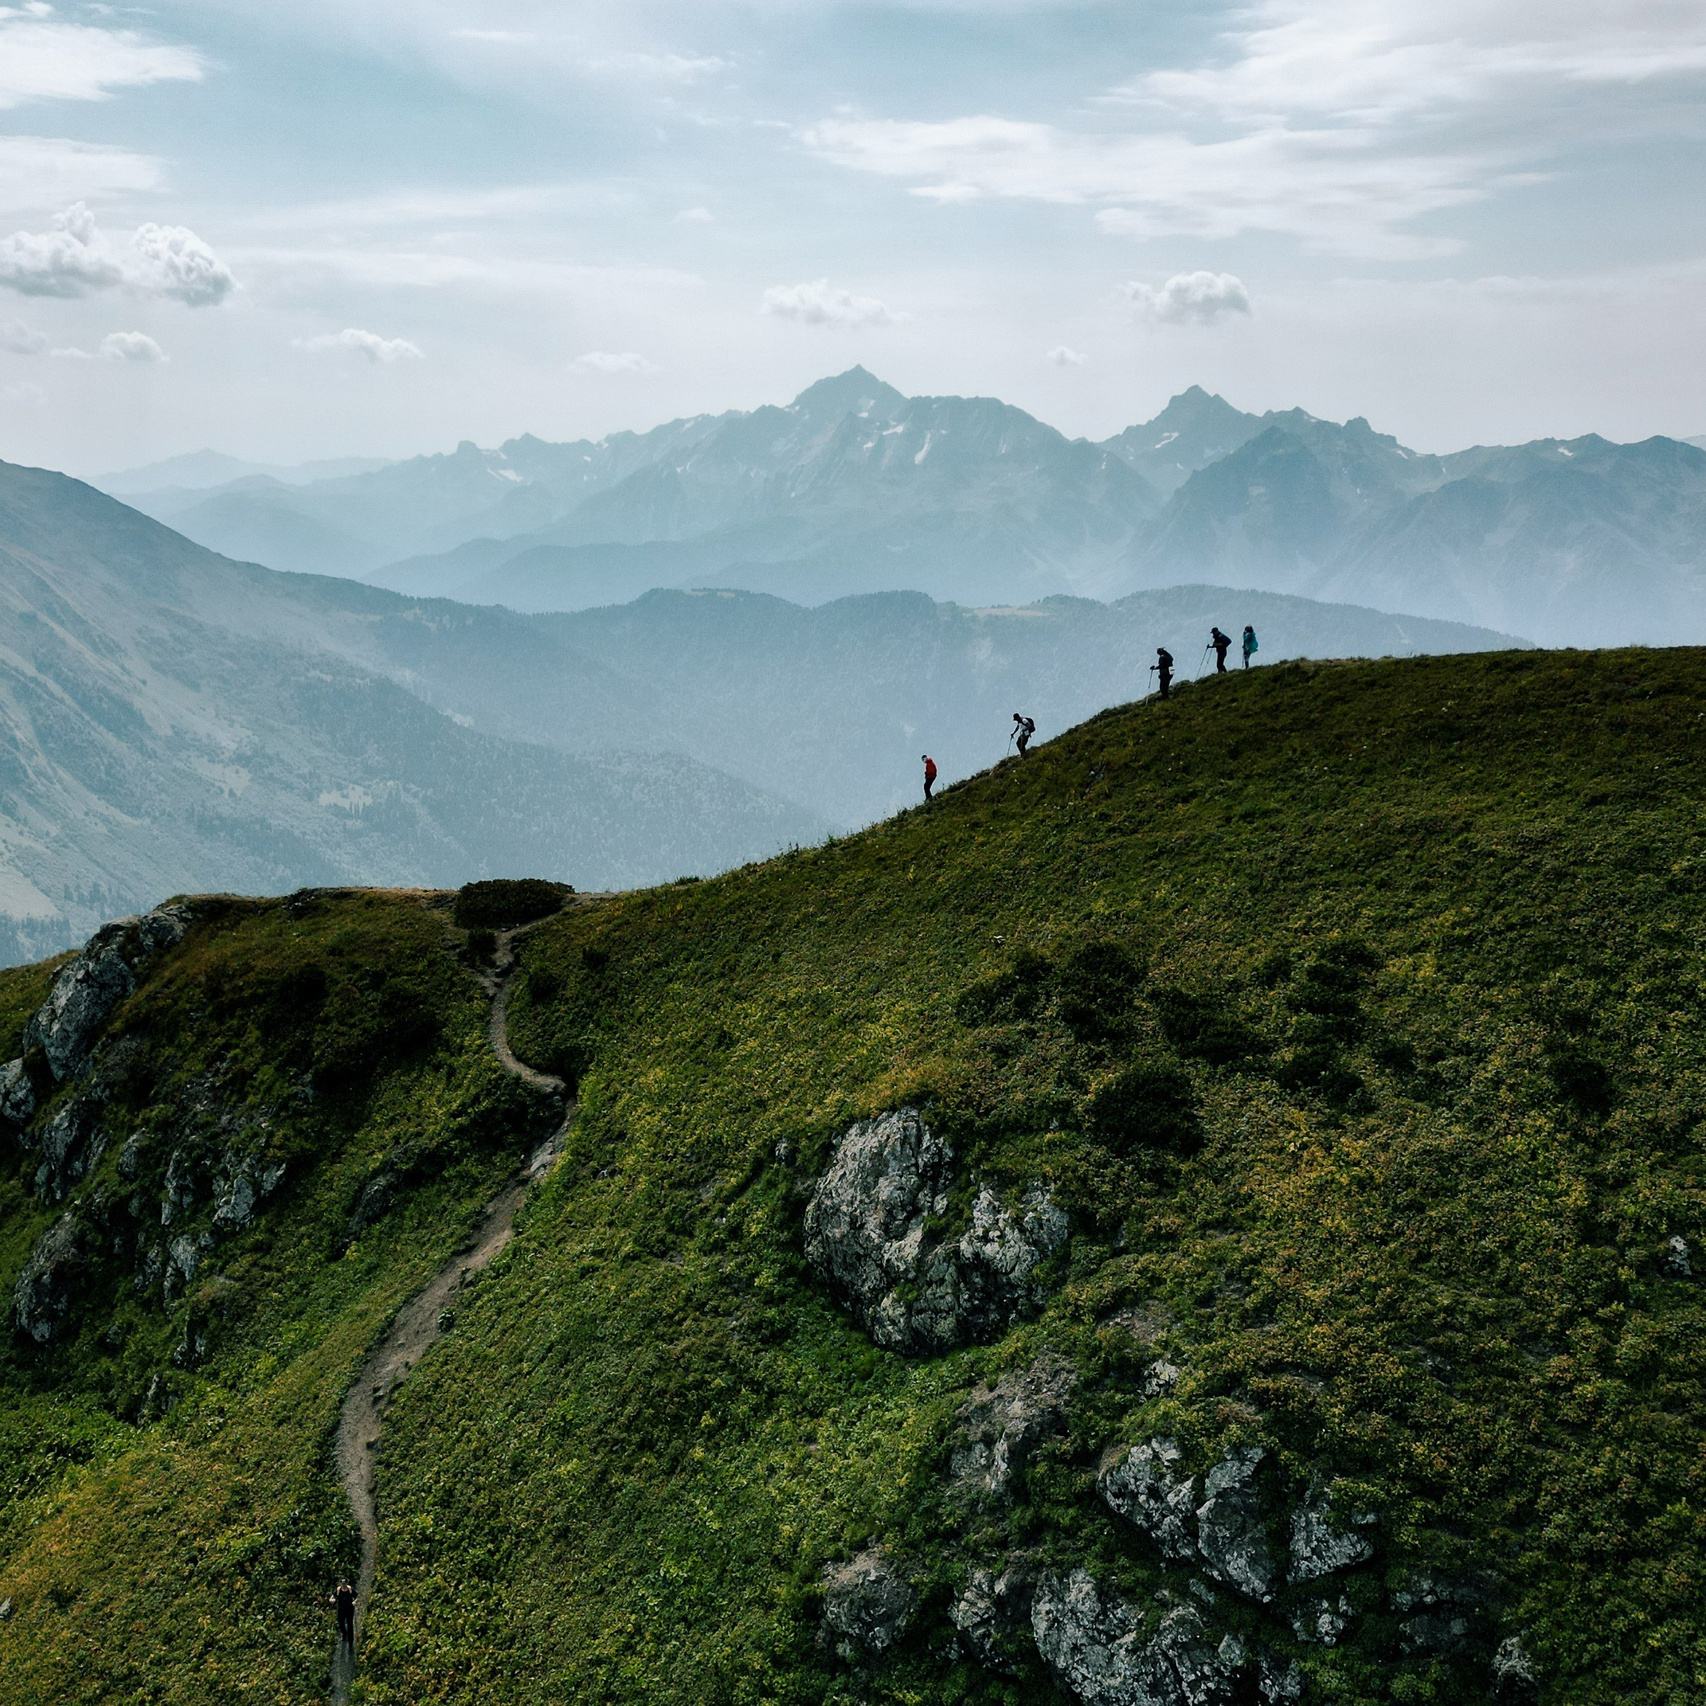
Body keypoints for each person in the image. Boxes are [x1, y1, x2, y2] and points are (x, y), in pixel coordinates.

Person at [332, 1578, 356, 1647]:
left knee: (350, 1625)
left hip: (349, 1610)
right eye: (342, 1584)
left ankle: (350, 1642)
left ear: (346, 1584)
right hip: (341, 1610)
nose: (343, 1585)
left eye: (344, 1584)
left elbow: (356, 1597)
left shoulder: (350, 1590)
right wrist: (332, 1600)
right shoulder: (338, 1590)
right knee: (341, 1623)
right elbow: (333, 1596)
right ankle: (344, 1633)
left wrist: (354, 1601)